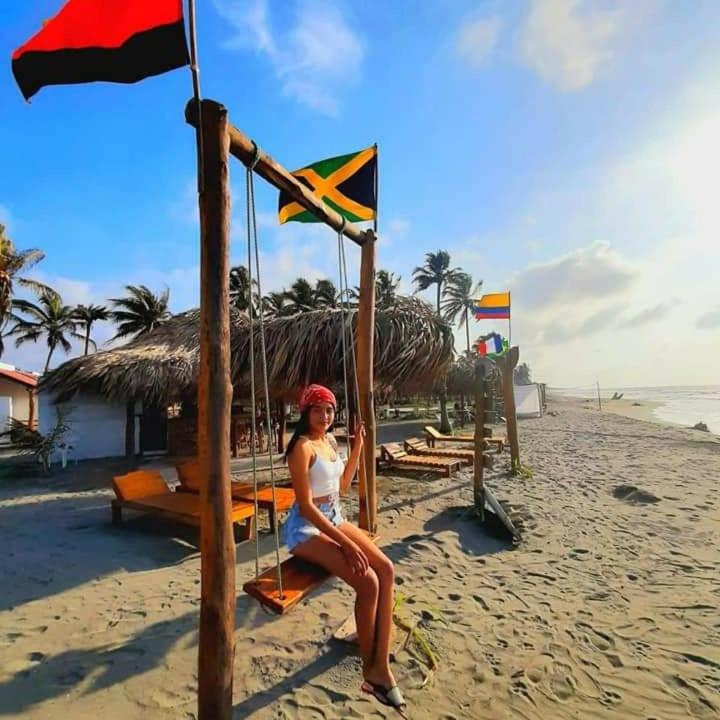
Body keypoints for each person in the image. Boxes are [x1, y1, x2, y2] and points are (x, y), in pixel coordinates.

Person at [282, 384, 406, 715]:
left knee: (386, 570)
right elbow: (306, 506)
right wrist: (346, 543)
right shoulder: (302, 447)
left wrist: (358, 448)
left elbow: (342, 487)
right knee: (368, 582)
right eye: (318, 409)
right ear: (306, 412)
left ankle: (380, 665)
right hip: (307, 527)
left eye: (329, 410)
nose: (325, 416)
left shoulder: (330, 441)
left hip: (335, 516)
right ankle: (371, 670)